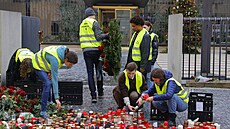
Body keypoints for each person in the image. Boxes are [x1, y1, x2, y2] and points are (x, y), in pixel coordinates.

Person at [32, 45, 78, 118]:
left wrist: (50, 71)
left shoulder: (64, 53)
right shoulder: (55, 60)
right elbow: (55, 79)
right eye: (70, 64)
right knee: (47, 83)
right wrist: (57, 98)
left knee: (48, 82)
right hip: (38, 64)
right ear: (66, 59)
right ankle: (43, 111)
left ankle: (50, 104)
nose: (70, 66)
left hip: (45, 63)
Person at [79, 7, 109, 103]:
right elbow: (98, 37)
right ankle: (100, 92)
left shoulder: (82, 24)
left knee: (90, 73)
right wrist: (108, 35)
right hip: (96, 50)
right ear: (94, 15)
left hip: (86, 51)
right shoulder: (94, 22)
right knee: (98, 71)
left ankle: (93, 96)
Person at [143, 21, 159, 88]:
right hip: (145, 60)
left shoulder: (153, 36)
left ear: (149, 27)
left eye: (145, 27)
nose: (144, 29)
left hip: (150, 60)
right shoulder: (142, 35)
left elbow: (155, 50)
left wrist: (152, 60)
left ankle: (150, 92)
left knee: (149, 77)